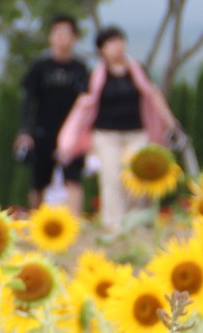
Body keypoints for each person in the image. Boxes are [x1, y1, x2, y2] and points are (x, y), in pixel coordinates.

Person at [57, 25, 178, 236]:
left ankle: (139, 221)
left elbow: (153, 95)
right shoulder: (96, 75)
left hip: (136, 131)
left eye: (120, 41)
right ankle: (113, 225)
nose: (118, 47)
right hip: (106, 134)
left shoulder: (137, 70)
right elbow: (84, 106)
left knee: (139, 176)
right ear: (102, 49)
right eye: (111, 43)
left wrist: (169, 121)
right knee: (111, 178)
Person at [15, 14, 90, 208]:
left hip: (72, 133)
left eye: (67, 34)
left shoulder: (80, 69)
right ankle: (36, 222)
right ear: (50, 37)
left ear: (74, 38)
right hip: (43, 130)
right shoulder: (39, 67)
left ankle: (75, 224)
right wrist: (24, 131)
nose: (62, 39)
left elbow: (88, 103)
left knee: (73, 178)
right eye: (57, 34)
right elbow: (27, 100)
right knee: (39, 181)